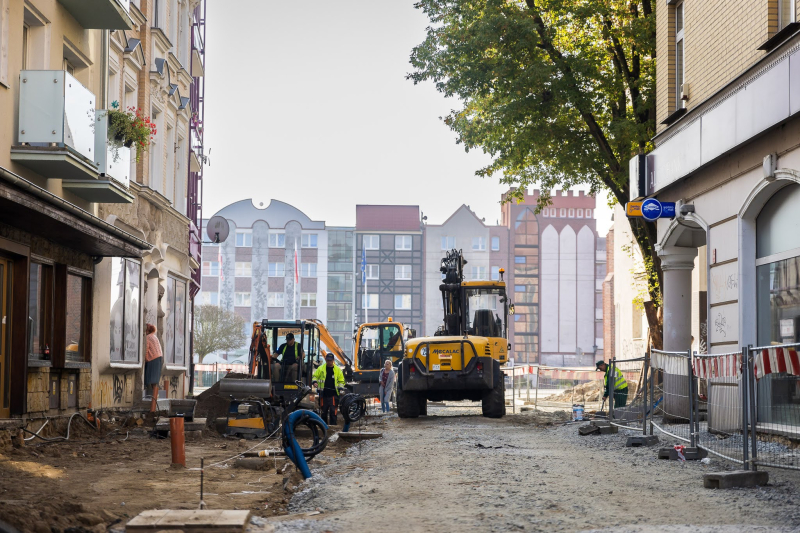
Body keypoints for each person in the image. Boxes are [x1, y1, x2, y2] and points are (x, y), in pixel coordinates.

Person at [312, 353, 346, 425]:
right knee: (323, 412)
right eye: (327, 360)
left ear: (333, 360)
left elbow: (341, 381)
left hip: (333, 395)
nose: (329, 362)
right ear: (326, 360)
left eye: (330, 360)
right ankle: (324, 426)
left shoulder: (337, 370)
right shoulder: (321, 368)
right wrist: (314, 382)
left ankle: (333, 426)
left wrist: (340, 388)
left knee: (333, 412)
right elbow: (314, 376)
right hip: (323, 394)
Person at [144, 324, 163, 412]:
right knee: (155, 378)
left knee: (150, 377)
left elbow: (146, 348)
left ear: (147, 330)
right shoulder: (155, 337)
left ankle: (153, 396)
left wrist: (146, 358)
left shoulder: (147, 337)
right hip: (159, 357)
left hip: (153, 358)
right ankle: (156, 394)